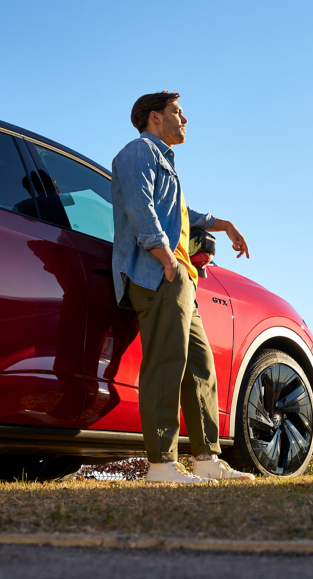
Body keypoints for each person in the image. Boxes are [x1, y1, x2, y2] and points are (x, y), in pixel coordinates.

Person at [111, 90, 255, 484]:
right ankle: (161, 464)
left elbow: (179, 212)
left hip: (181, 280)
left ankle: (207, 458)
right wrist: (165, 256)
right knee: (165, 363)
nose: (184, 119)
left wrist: (220, 223)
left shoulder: (163, 161)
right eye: (178, 112)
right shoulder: (138, 151)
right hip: (157, 275)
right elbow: (140, 206)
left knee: (199, 366)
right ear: (155, 117)